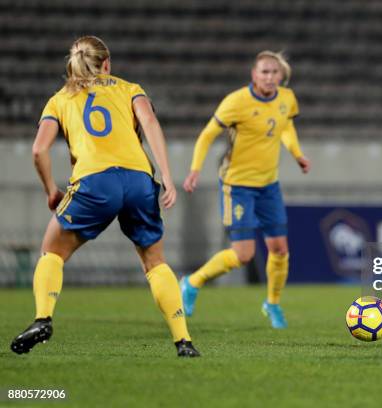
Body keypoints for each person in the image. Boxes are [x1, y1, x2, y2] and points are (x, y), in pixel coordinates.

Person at [10, 36, 199, 357]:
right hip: (139, 179)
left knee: (51, 253)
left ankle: (43, 318)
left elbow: (39, 149)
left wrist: (51, 190)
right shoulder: (130, 88)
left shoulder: (59, 99)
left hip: (94, 180)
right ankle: (184, 341)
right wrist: (166, 175)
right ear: (107, 63)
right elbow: (150, 122)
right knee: (155, 263)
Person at [181, 50, 310, 329]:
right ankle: (191, 283)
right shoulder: (236, 101)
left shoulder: (287, 99)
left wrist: (297, 154)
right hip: (237, 186)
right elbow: (206, 135)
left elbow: (285, 127)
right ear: (254, 74)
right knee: (243, 254)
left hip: (268, 185)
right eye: (264, 72)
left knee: (279, 250)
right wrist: (194, 170)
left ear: (281, 75)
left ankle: (272, 304)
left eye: (274, 72)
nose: (269, 77)